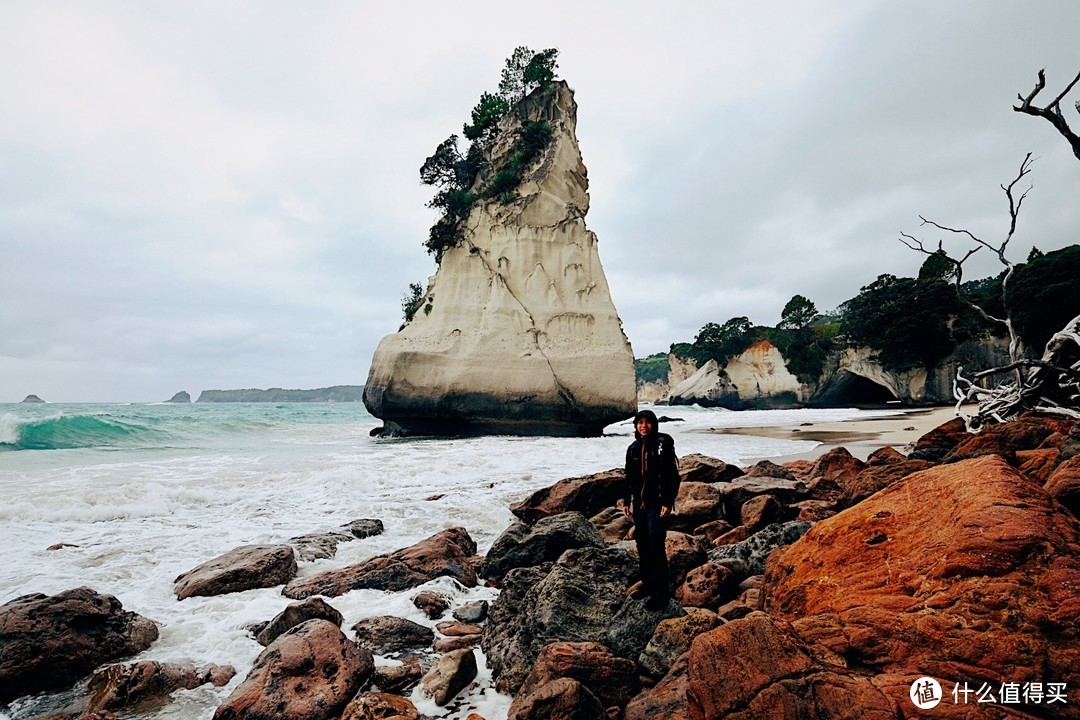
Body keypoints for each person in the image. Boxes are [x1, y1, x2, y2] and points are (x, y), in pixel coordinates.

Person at [622, 409, 680, 610]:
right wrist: (626, 500)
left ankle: (661, 592)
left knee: (656, 545)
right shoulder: (633, 448)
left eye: (647, 422)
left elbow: (672, 476)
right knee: (643, 544)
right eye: (640, 422)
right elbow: (629, 477)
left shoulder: (662, 445)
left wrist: (667, 501)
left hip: (657, 504)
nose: (643, 426)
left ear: (654, 424)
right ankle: (648, 584)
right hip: (640, 504)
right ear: (636, 426)